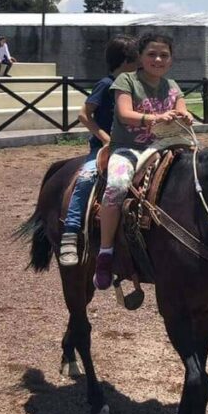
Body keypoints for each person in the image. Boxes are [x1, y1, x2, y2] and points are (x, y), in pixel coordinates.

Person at [93, 32, 195, 291]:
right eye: (151, 54)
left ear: (171, 60)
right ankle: (105, 252)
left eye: (164, 55)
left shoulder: (172, 86)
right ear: (140, 57)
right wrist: (154, 118)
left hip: (165, 146)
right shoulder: (127, 80)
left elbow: (182, 110)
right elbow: (124, 113)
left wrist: (186, 117)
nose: (158, 59)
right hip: (128, 148)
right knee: (116, 187)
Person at [57, 36, 139, 266]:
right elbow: (84, 114)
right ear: (126, 61)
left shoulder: (134, 86)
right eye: (137, 60)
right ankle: (70, 232)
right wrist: (104, 138)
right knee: (87, 178)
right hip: (104, 149)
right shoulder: (105, 84)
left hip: (132, 146)